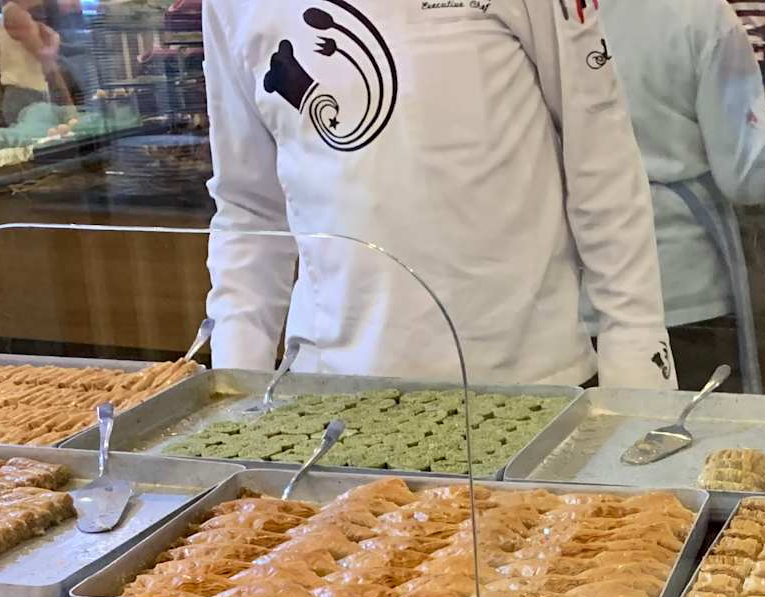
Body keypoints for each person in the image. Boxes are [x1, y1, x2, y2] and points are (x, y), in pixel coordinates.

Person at [201, 0, 674, 389]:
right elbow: (248, 208)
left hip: (527, 382)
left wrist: (637, 369)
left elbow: (601, 161)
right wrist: (234, 391)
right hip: (328, 390)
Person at [603, 0, 765, 390]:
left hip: (577, 293)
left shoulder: (552, 14)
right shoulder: (700, 16)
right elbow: (746, 174)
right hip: (681, 287)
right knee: (694, 426)